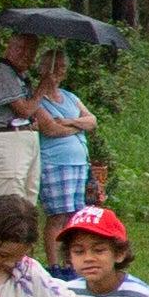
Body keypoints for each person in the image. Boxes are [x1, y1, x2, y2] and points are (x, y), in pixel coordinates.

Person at [0, 27, 50, 211]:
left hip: (24, 139)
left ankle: (21, 239)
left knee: (28, 199)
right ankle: (7, 237)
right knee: (11, 201)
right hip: (7, 138)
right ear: (9, 47)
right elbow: (24, 110)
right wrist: (42, 89)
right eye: (20, 48)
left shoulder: (19, 76)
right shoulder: (2, 72)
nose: (26, 54)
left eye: (31, 51)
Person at [25, 52, 97, 222]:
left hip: (80, 162)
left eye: (62, 66)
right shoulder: (37, 99)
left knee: (77, 215)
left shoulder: (70, 97)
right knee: (58, 216)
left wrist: (68, 121)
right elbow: (51, 129)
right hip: (55, 162)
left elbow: (92, 121)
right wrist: (79, 127)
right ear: (42, 69)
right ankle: (54, 249)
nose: (58, 71)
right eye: (53, 66)